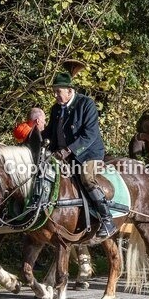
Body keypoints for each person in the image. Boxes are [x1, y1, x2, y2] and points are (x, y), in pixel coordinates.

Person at [43, 71, 115, 239]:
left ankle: (107, 219)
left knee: (86, 176)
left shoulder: (86, 104)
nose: (55, 96)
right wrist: (34, 138)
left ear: (69, 90)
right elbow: (50, 133)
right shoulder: (56, 109)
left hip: (88, 154)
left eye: (58, 91)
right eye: (54, 91)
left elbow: (89, 135)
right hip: (62, 155)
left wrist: (68, 151)